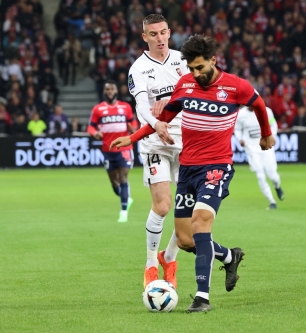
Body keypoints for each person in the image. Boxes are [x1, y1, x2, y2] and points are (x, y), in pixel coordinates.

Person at [110, 35, 275, 312]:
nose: (195, 74)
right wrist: (133, 137)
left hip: (217, 167)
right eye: (191, 68)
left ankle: (202, 298)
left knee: (200, 224)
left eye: (200, 67)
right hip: (188, 168)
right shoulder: (185, 84)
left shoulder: (236, 86)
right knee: (186, 240)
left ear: (213, 60)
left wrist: (266, 134)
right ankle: (228, 256)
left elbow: (258, 104)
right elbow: (163, 120)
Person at [126, 14, 190, 291]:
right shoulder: (138, 68)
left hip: (187, 140)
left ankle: (170, 258)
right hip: (155, 140)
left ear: (169, 32)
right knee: (163, 205)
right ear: (145, 37)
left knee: (188, 211)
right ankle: (151, 262)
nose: (160, 38)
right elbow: (141, 106)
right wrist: (156, 123)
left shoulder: (183, 60)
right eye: (154, 34)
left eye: (163, 32)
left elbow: (197, 92)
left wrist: (170, 100)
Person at [87, 80, 137, 223]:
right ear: (104, 92)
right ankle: (126, 198)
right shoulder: (98, 109)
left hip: (124, 149)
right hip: (108, 150)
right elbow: (90, 127)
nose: (109, 91)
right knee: (114, 183)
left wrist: (134, 128)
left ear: (116, 91)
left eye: (112, 89)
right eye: (107, 89)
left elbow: (133, 122)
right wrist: (95, 133)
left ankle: (123, 212)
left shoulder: (125, 107)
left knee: (123, 178)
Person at [235, 105, 284, 209]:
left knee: (273, 175)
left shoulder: (267, 111)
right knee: (260, 176)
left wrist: (272, 136)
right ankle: (272, 202)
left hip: (266, 147)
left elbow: (273, 124)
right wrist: (240, 139)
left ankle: (277, 186)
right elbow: (237, 129)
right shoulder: (241, 114)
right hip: (251, 149)